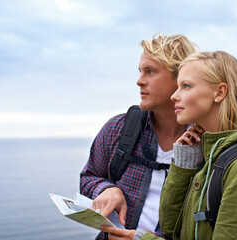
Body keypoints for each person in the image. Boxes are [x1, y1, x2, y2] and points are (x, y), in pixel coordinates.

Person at [102, 51, 237, 239]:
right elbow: (171, 230)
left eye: (186, 86)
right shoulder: (210, 158)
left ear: (220, 92)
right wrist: (183, 163)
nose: (174, 96)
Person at [80, 34, 198, 239]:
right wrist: (107, 189)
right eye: (140, 71)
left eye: (150, 71)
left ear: (181, 78)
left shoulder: (205, 142)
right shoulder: (118, 128)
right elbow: (88, 177)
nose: (139, 81)